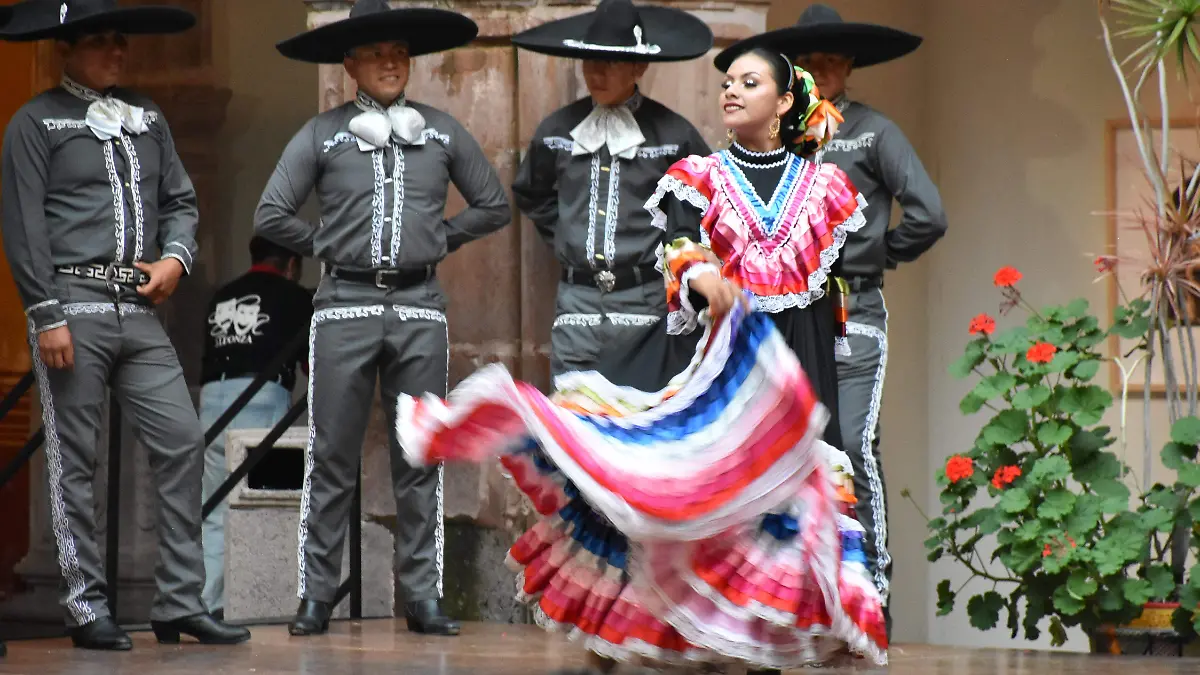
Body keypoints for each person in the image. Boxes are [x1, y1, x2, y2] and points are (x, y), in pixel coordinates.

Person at [394, 49, 887, 674]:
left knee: (787, 501)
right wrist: (704, 276)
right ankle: (669, 634)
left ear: (785, 101)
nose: (731, 91)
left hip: (794, 367)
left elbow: (835, 287)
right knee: (692, 495)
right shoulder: (697, 175)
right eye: (727, 82)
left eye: (749, 83)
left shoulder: (827, 189)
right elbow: (679, 242)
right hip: (718, 372)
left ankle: (763, 645)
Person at [254, 0, 510, 637]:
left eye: (399, 51)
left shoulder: (443, 130)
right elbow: (271, 214)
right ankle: (317, 596)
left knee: (421, 457)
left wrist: (437, 238)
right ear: (350, 65)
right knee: (332, 456)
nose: (391, 61)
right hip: (343, 307)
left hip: (421, 307)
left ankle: (423, 597)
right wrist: (327, 241)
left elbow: (493, 204)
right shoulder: (323, 132)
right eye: (375, 52)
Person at [0, 0, 250, 650]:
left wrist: (176, 257)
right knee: (74, 460)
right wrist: (44, 312)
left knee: (183, 438)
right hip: (72, 304)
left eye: (121, 41)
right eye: (100, 41)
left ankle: (178, 600)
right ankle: (85, 605)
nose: (117, 51)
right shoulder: (35, 122)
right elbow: (24, 225)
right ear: (67, 49)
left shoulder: (148, 116)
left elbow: (181, 201)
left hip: (139, 310)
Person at [715, 4, 949, 636]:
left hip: (852, 311)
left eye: (836, 60)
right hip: (780, 317)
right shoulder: (775, 138)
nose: (827, 69)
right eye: (814, 62)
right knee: (776, 449)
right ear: (797, 73)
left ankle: (872, 595)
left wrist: (870, 257)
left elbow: (928, 214)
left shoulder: (875, 132)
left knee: (850, 444)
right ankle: (790, 599)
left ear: (849, 67)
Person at [510, 0, 713, 377]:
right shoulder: (557, 130)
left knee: (642, 420)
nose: (596, 73)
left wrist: (670, 249)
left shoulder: (674, 135)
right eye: (590, 61)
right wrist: (566, 232)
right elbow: (530, 192)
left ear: (639, 66)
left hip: (646, 301)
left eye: (611, 62)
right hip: (577, 304)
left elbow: (709, 205)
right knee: (571, 422)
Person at [197, 236, 313, 619]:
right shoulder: (296, 297)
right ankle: (259, 603)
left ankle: (210, 605)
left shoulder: (222, 295)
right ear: (292, 264)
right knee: (263, 504)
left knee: (214, 507)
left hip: (212, 398)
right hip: (261, 396)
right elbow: (312, 367)